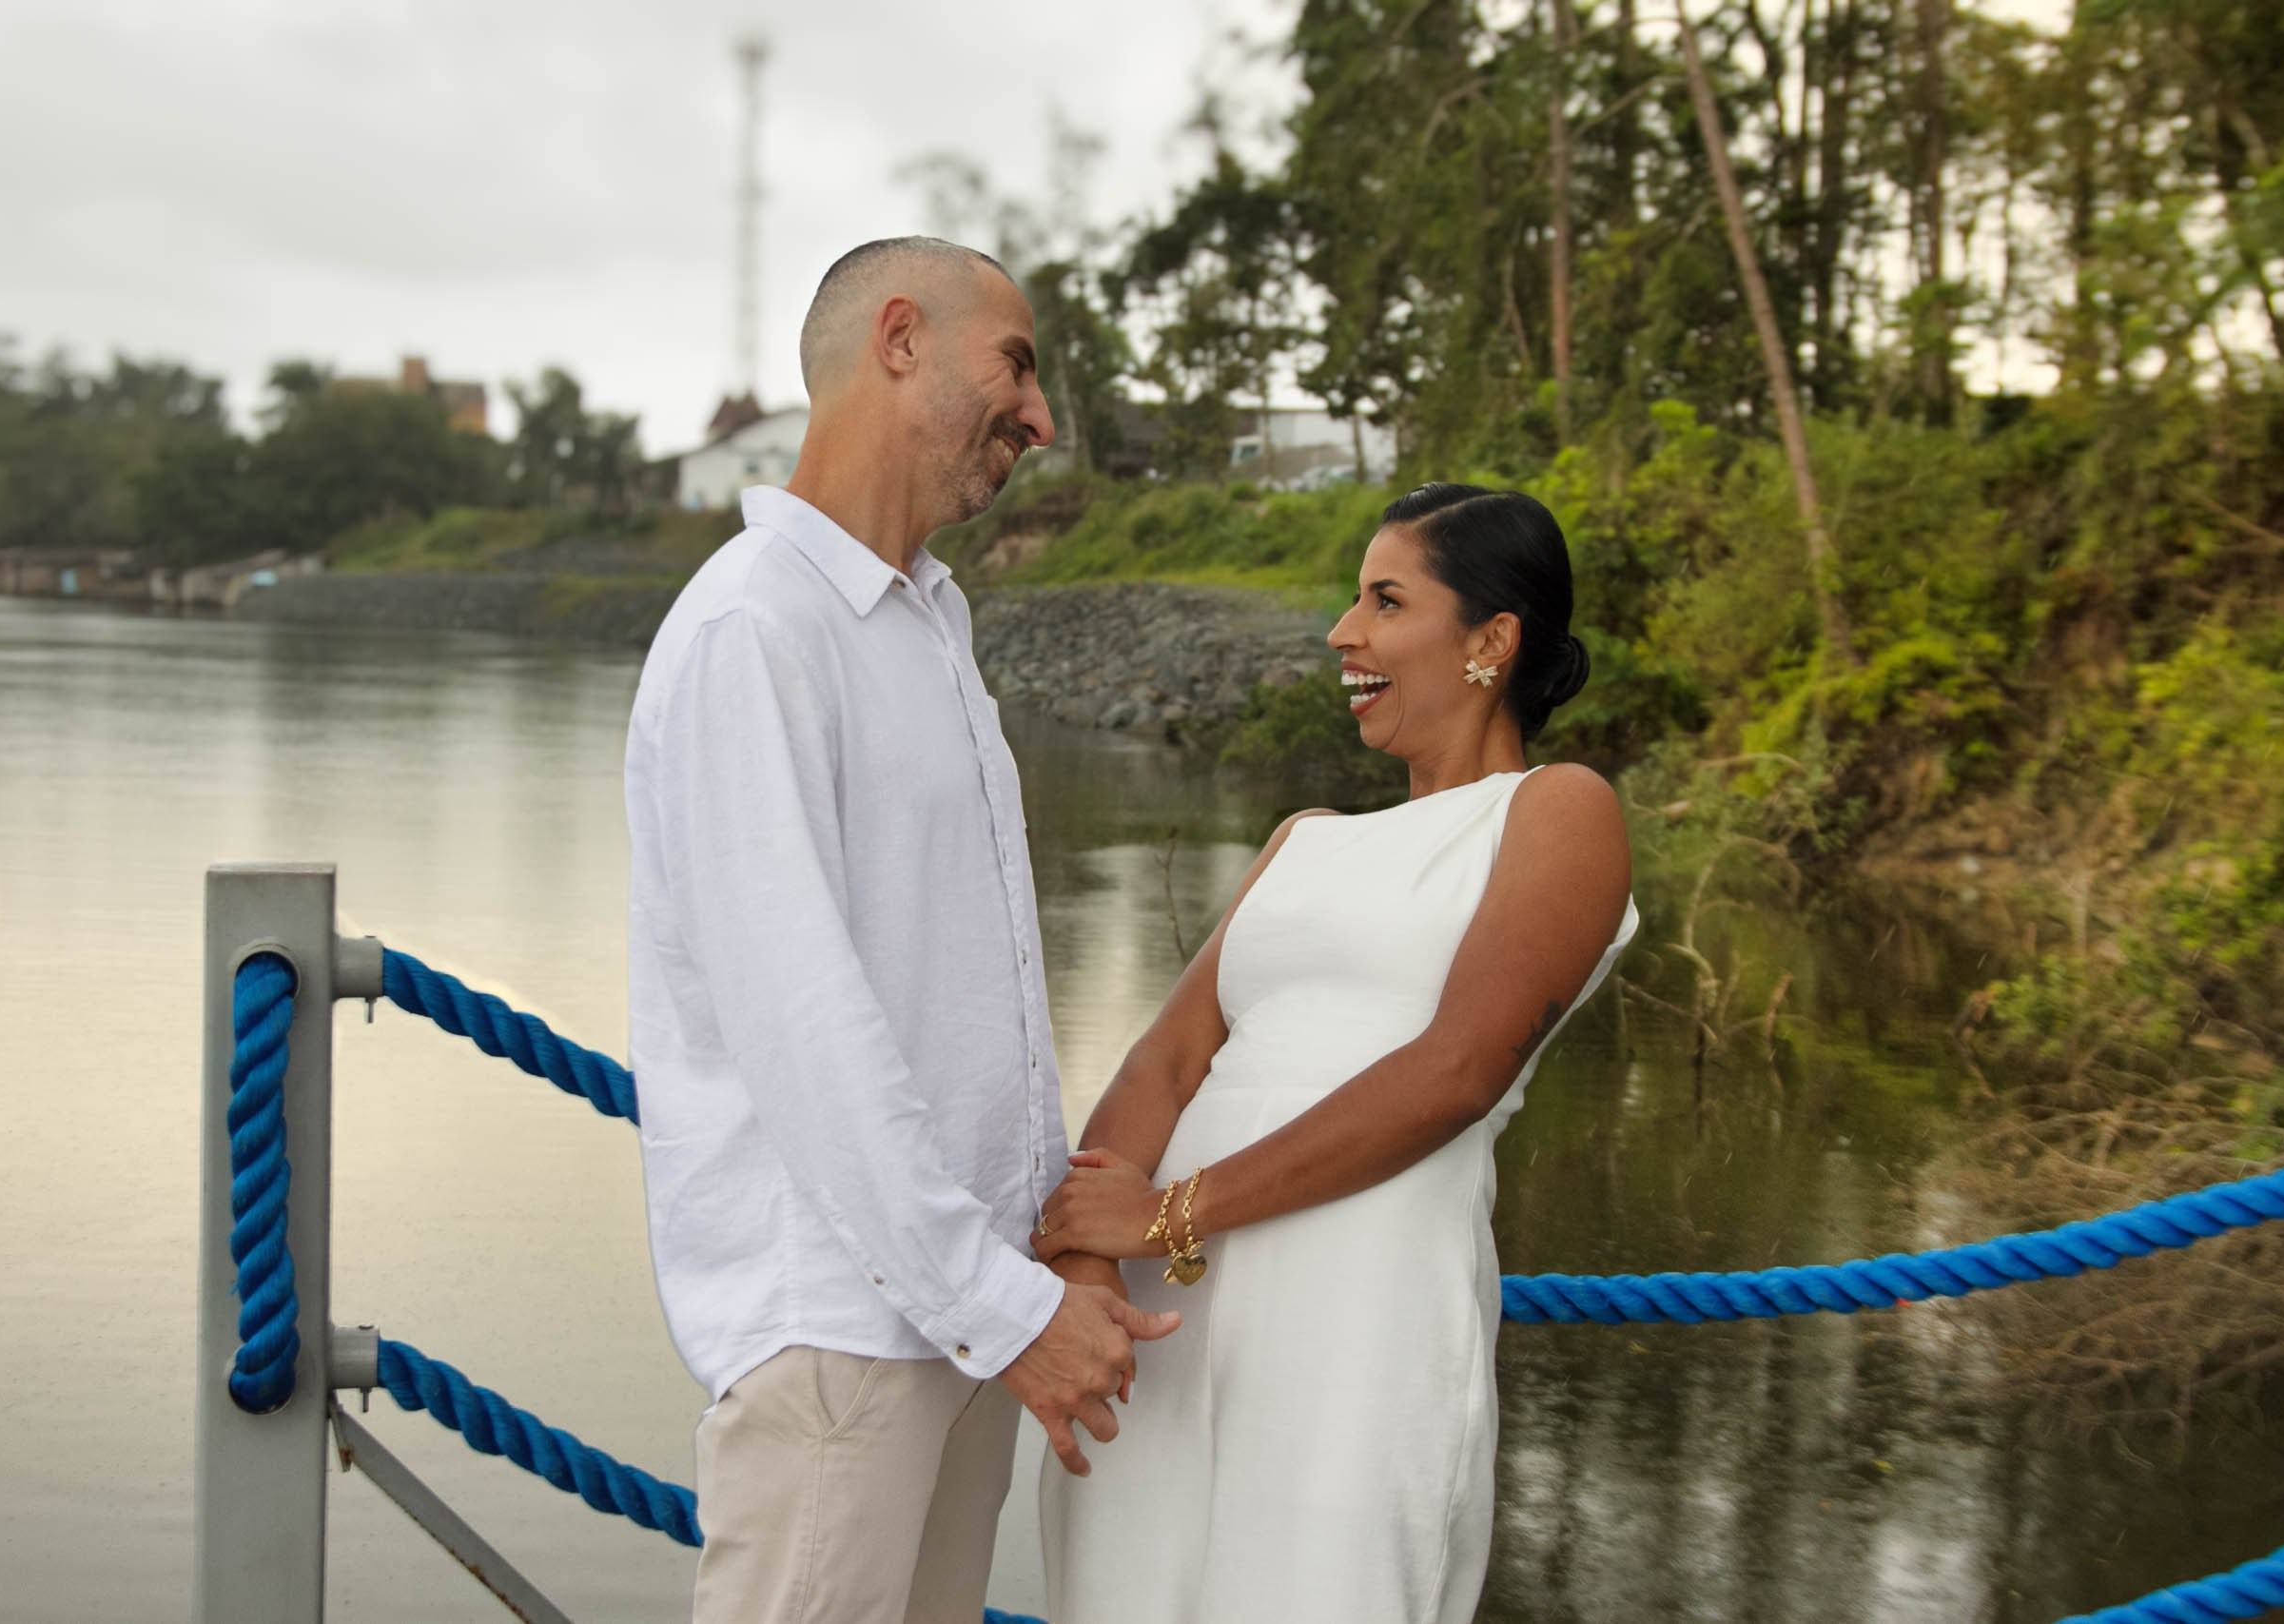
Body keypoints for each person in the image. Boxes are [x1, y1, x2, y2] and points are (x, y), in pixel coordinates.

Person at [623, 236, 1179, 1624]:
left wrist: (1033, 1274)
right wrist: (1008, 1309)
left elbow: (967, 994)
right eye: (1018, 364)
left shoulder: (930, 621)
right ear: (897, 341)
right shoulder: (753, 629)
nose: (1041, 417)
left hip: (959, 1312)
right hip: (842, 1334)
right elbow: (803, 1024)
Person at [1033, 482, 1638, 1623]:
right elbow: (1164, 1064)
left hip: (1356, 1321)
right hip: (1158, 1331)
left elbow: (1454, 1073)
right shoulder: (1301, 841)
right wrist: (1087, 1267)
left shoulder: (1556, 812)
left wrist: (1169, 1214)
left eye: (1384, 600)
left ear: (1490, 642)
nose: (1341, 633)